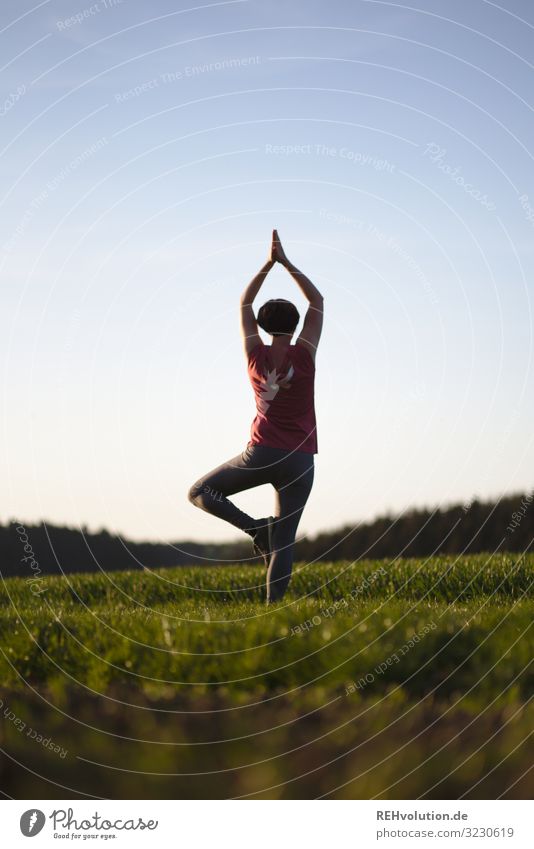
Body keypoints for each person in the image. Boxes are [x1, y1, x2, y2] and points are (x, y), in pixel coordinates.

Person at [187, 230, 324, 602]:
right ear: (296, 325)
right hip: (300, 460)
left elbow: (245, 303)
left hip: (261, 454)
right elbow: (317, 299)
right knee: (285, 540)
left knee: (200, 492)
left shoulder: (255, 355)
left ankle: (254, 529)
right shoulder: (305, 355)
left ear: (263, 326)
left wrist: (268, 264)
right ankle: (273, 611)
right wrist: (288, 264)